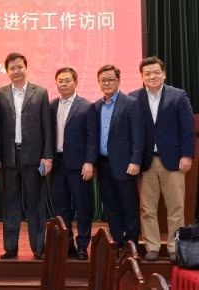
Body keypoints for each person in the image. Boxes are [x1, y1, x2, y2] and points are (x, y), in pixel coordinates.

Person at [131, 57, 194, 262]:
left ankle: (175, 248)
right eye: (147, 73)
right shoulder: (134, 98)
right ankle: (152, 246)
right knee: (147, 208)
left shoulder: (178, 96)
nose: (152, 76)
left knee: (176, 206)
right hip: (147, 161)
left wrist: (187, 155)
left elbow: (187, 129)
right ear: (142, 77)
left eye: (156, 72)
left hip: (174, 160)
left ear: (164, 73)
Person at [0, 52, 53, 260]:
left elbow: (47, 127)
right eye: (12, 68)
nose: (16, 71)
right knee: (10, 203)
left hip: (34, 157)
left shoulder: (40, 93)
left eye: (20, 67)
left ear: (26, 68)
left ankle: (39, 248)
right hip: (9, 158)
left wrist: (47, 156)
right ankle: (10, 248)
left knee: (35, 203)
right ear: (7, 71)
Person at [49, 67, 98, 260]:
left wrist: (89, 162)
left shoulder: (86, 106)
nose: (64, 84)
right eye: (60, 80)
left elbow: (92, 138)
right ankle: (66, 244)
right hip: (58, 164)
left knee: (82, 206)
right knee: (61, 207)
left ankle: (82, 245)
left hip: (79, 165)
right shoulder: (51, 106)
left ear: (75, 82)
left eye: (67, 80)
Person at [94, 64, 143, 245]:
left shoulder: (130, 103)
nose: (107, 83)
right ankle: (117, 243)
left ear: (118, 81)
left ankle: (131, 245)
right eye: (103, 80)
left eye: (110, 79)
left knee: (129, 208)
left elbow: (138, 135)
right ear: (98, 82)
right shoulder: (96, 106)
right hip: (103, 166)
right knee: (111, 208)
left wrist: (135, 161)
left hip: (125, 165)